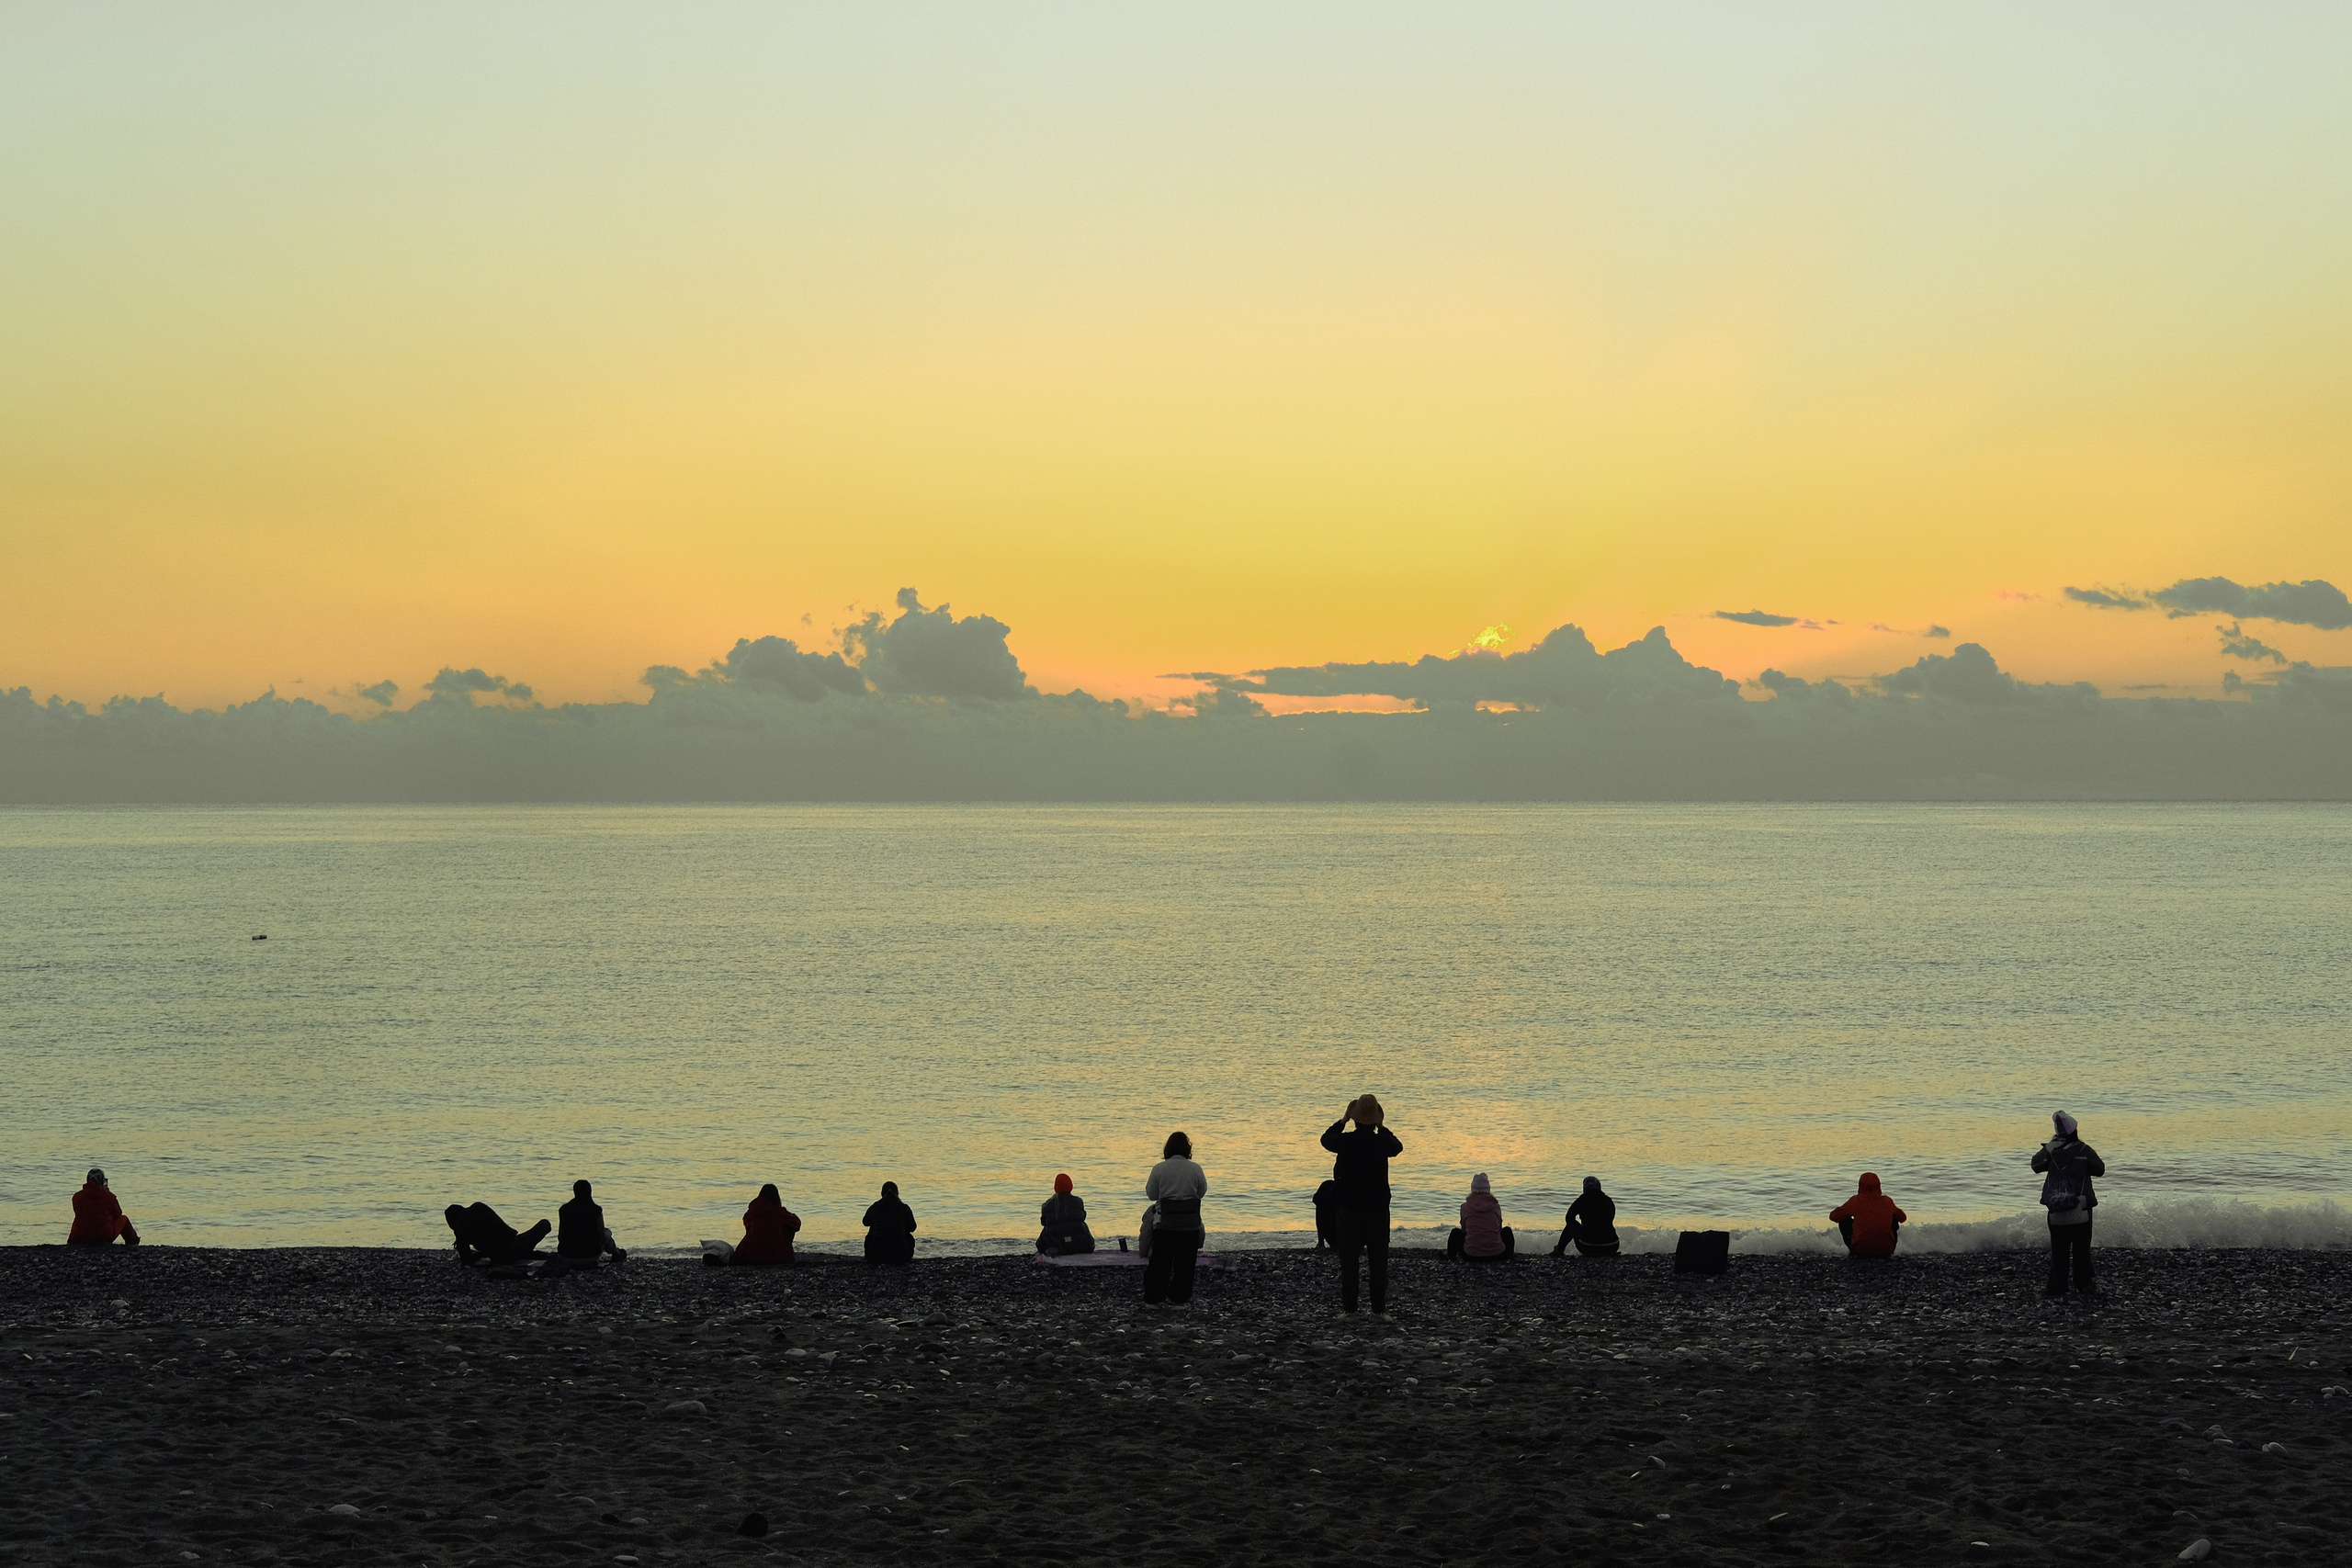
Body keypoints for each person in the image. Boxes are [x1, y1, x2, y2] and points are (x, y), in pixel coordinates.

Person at [1322, 1095, 1403, 1315]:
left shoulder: (1346, 1141)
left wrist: (1343, 1120)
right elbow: (1398, 1147)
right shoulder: (1381, 1142)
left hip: (1348, 1208)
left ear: (1355, 1119)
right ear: (1375, 1119)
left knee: (1349, 1263)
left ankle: (1350, 1311)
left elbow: (1325, 1139)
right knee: (1378, 1263)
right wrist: (1383, 1127)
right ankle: (1378, 1311)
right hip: (1377, 1209)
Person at [2032, 1111, 2106, 1298]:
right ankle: (2083, 1284)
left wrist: (2048, 1148)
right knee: (2081, 1248)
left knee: (2059, 1249)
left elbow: (2035, 1165)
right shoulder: (2084, 1150)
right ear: (2075, 1130)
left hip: (2056, 1209)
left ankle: (2057, 1288)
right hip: (2081, 1208)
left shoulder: (2051, 1152)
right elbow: (2100, 1170)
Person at [1143, 1133, 1208, 1305]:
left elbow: (1151, 1195)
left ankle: (1155, 1295)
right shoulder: (1196, 1168)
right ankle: (1180, 1296)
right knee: (1185, 1263)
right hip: (1189, 1225)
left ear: (1168, 1148)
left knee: (1161, 1261)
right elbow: (1201, 1193)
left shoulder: (1159, 1169)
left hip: (1165, 1225)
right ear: (1188, 1149)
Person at [539, 1179, 626, 1278]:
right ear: (590, 1192)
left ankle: (616, 1253)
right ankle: (617, 1254)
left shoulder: (564, 1210)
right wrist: (609, 1232)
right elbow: (602, 1238)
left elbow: (561, 1237)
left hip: (566, 1256)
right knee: (606, 1233)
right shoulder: (596, 1210)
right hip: (589, 1256)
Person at [444, 1201, 549, 1267]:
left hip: (502, 1256)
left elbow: (466, 1260)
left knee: (518, 1251)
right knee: (544, 1224)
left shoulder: (460, 1228)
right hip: (515, 1242)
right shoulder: (478, 1207)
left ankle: (531, 1254)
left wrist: (478, 1254)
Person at [1828, 1172, 1907, 1258]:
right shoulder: (1887, 1201)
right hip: (1886, 1250)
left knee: (1844, 1221)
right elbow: (1903, 1218)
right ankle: (1884, 1244)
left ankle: (1853, 1252)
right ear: (1879, 1186)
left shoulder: (1856, 1201)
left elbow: (1833, 1216)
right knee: (1894, 1219)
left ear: (1860, 1186)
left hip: (1860, 1250)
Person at [1447, 1173, 1514, 1261]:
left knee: (1455, 1233)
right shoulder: (1496, 1206)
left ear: (1472, 1189)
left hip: (1471, 1256)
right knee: (1507, 1231)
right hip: (1498, 1255)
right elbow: (1499, 1229)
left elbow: (1464, 1230)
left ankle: (1451, 1259)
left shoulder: (1465, 1207)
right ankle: (1510, 1257)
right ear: (1488, 1189)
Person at [733, 1183, 802, 1266]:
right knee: (789, 1226)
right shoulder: (779, 1212)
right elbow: (797, 1223)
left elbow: (746, 1223)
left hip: (750, 1254)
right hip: (777, 1256)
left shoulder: (753, 1210)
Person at [69, 1169, 140, 1247]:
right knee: (124, 1219)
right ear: (103, 1181)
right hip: (103, 1235)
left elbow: (80, 1212)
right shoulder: (109, 1196)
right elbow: (118, 1214)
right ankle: (133, 1243)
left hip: (79, 1235)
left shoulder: (77, 1196)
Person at [1552, 1177, 1620, 1258]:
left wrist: (1581, 1228)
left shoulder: (1582, 1200)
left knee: (1571, 1223)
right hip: (1612, 1245)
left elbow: (1569, 1218)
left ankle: (1559, 1250)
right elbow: (1611, 1218)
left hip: (1588, 1246)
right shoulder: (1608, 1200)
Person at [1037, 1173, 1095, 1257]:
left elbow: (1043, 1222)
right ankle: (1076, 1248)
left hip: (1056, 1240)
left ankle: (1056, 1249)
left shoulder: (1047, 1204)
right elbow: (1083, 1217)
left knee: (1042, 1241)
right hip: (1078, 1241)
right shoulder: (1078, 1201)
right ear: (1071, 1186)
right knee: (1083, 1231)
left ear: (1055, 1188)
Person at [864, 1181, 917, 1266]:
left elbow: (865, 1222)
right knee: (907, 1234)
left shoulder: (876, 1206)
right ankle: (907, 1256)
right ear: (897, 1193)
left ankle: (868, 1257)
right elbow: (913, 1227)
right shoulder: (903, 1207)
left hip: (877, 1254)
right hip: (901, 1254)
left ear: (882, 1193)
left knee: (872, 1230)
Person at [1312, 1179, 1339, 1252]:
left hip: (1337, 1238)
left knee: (1321, 1207)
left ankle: (1321, 1243)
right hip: (1354, 1237)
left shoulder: (1327, 1185)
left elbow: (1316, 1200)